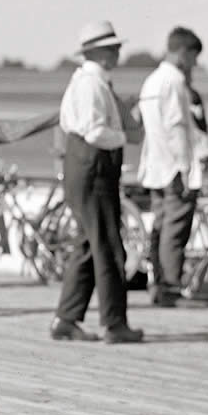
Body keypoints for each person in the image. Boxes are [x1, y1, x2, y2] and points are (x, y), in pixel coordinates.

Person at [50, 21, 143, 344]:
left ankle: (66, 318)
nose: (118, 52)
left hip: (82, 168)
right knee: (107, 246)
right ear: (101, 52)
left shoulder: (82, 81)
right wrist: (123, 137)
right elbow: (95, 131)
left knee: (89, 245)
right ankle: (113, 322)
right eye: (114, 47)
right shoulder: (93, 84)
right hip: (94, 169)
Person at [136, 27, 205, 307]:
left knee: (161, 227)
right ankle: (171, 288)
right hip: (174, 167)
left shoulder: (151, 81)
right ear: (183, 52)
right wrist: (187, 169)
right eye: (193, 56)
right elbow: (177, 127)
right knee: (175, 231)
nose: (195, 64)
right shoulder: (175, 81)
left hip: (154, 167)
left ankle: (159, 284)